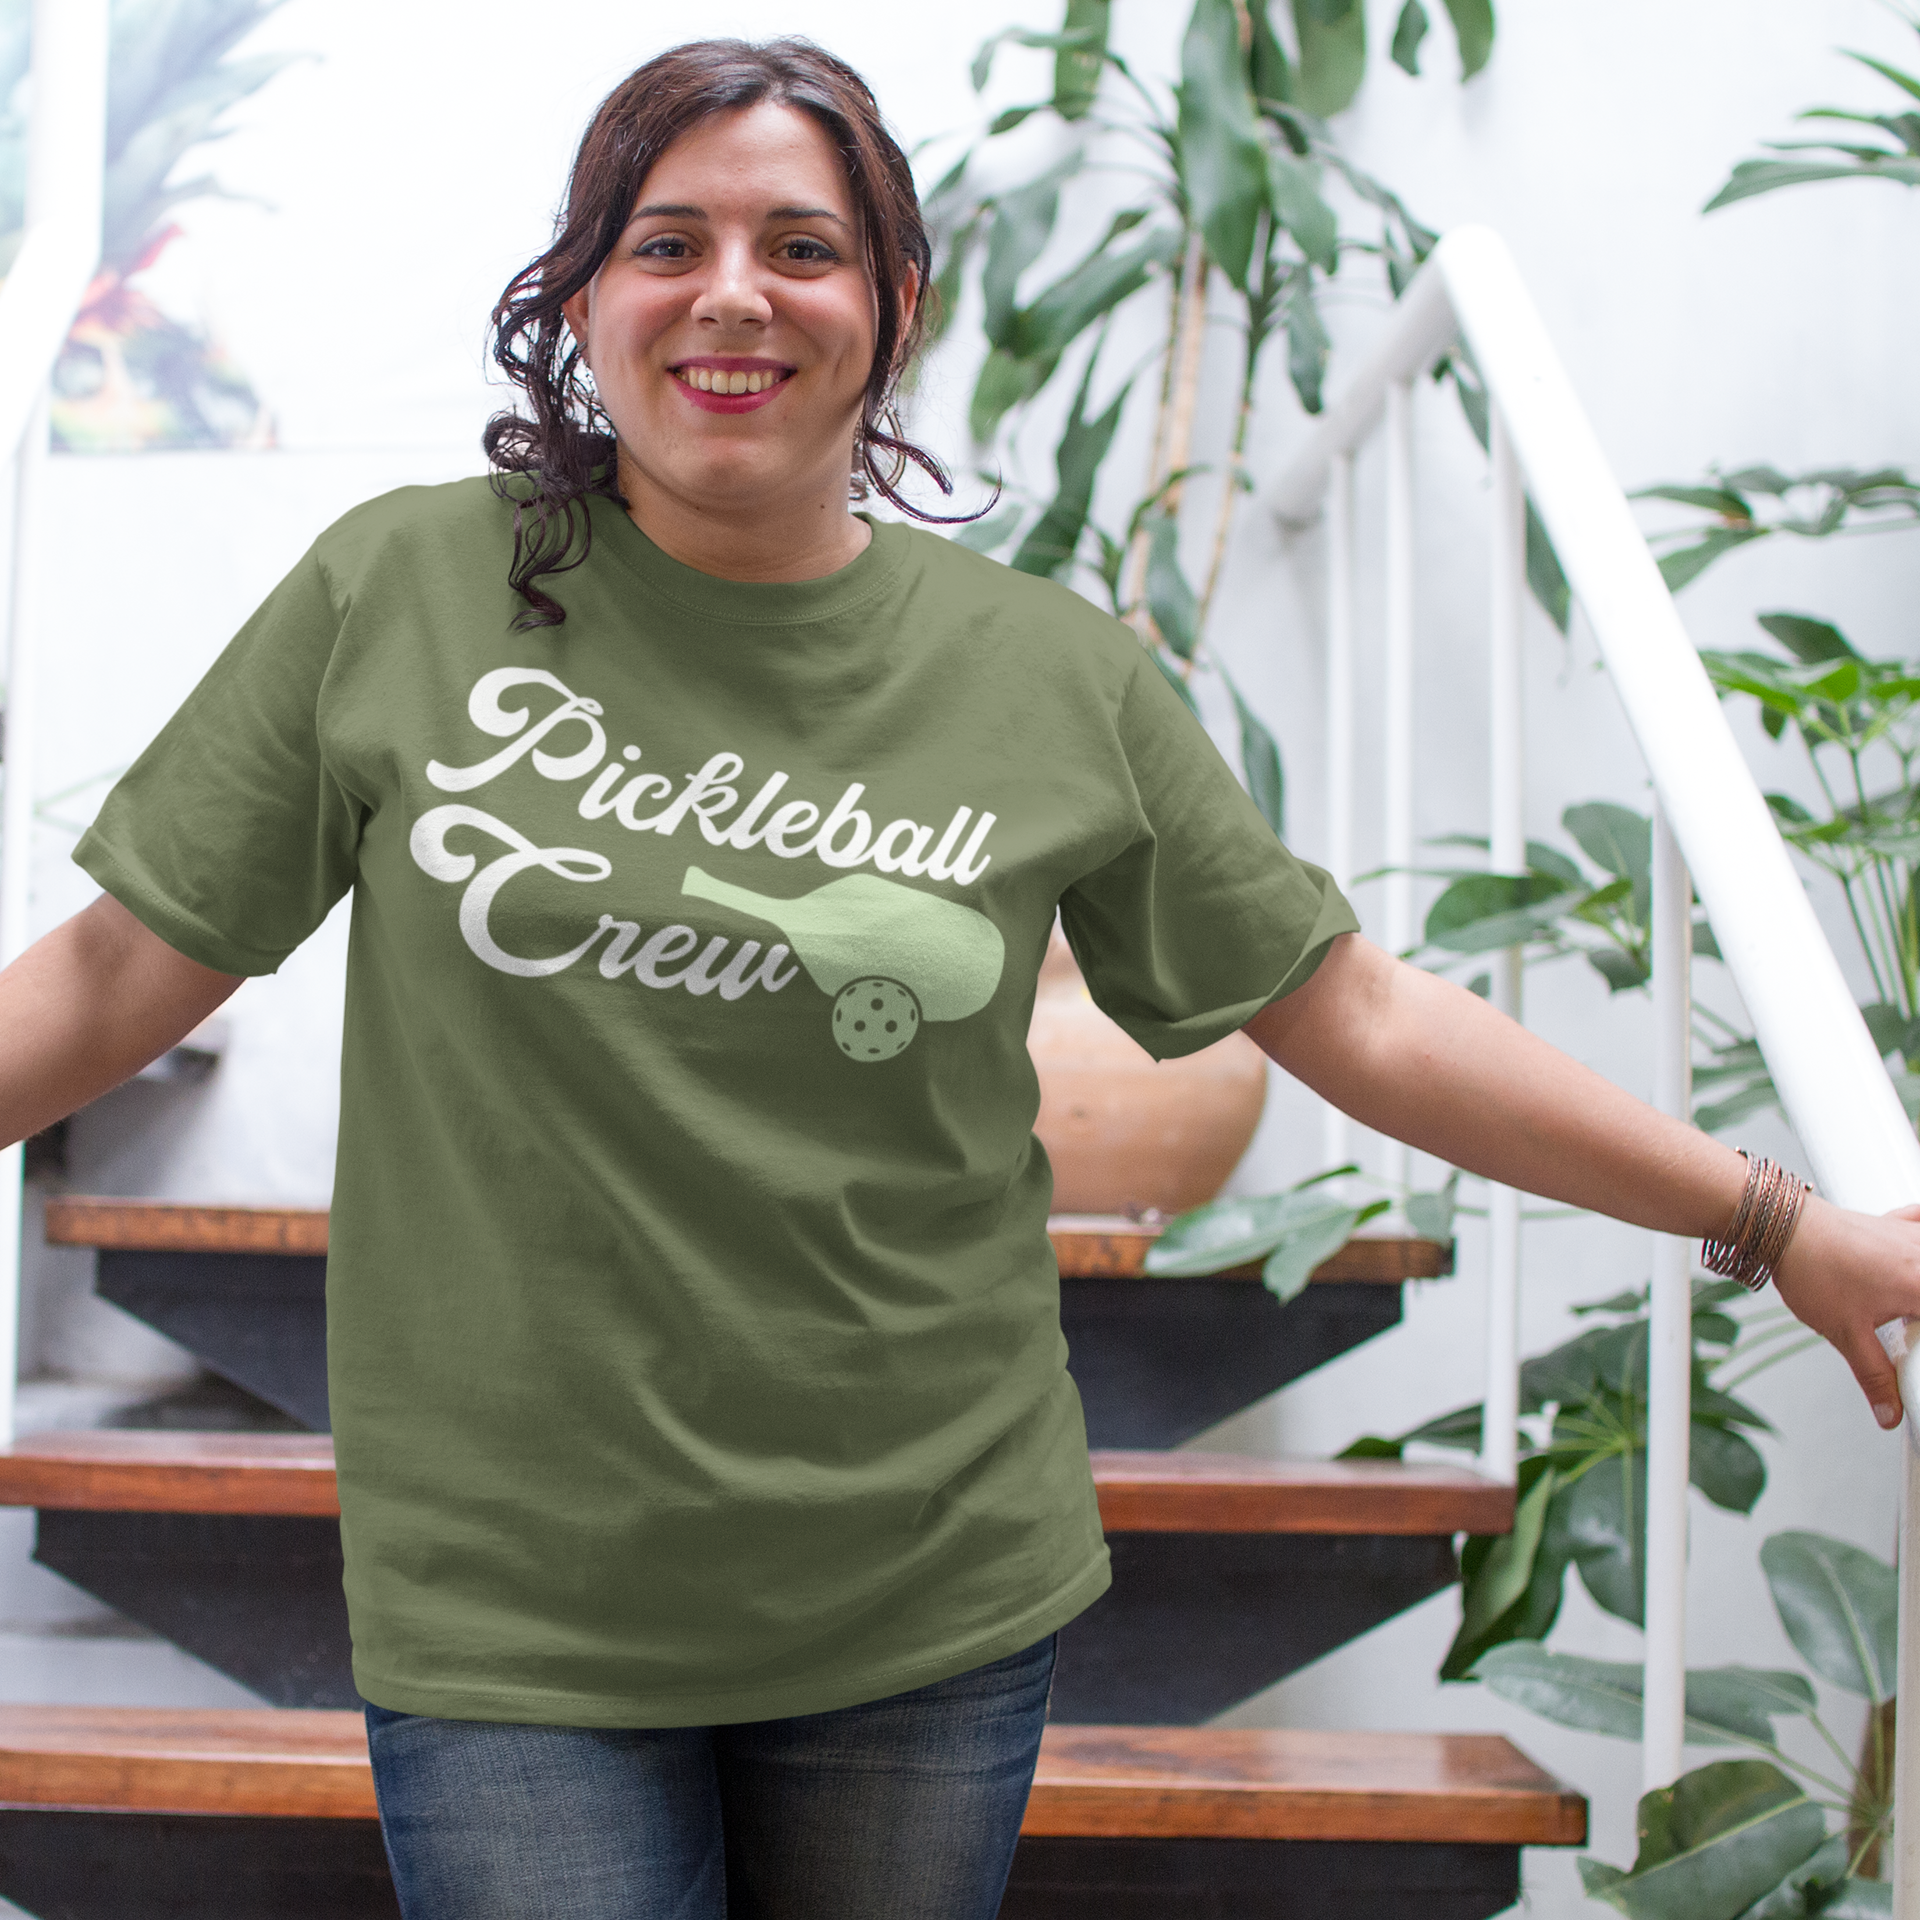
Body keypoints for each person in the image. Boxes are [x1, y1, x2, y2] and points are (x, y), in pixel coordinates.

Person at [6, 34, 1919, 1920]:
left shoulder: (1050, 675)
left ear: (895, 302)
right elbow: (112, 973)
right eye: (664, 242)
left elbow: (1359, 1015)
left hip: (919, 1583)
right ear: (582, 299)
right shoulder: (400, 591)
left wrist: (1773, 1215)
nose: (730, 294)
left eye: (801, 246)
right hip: (518, 1600)